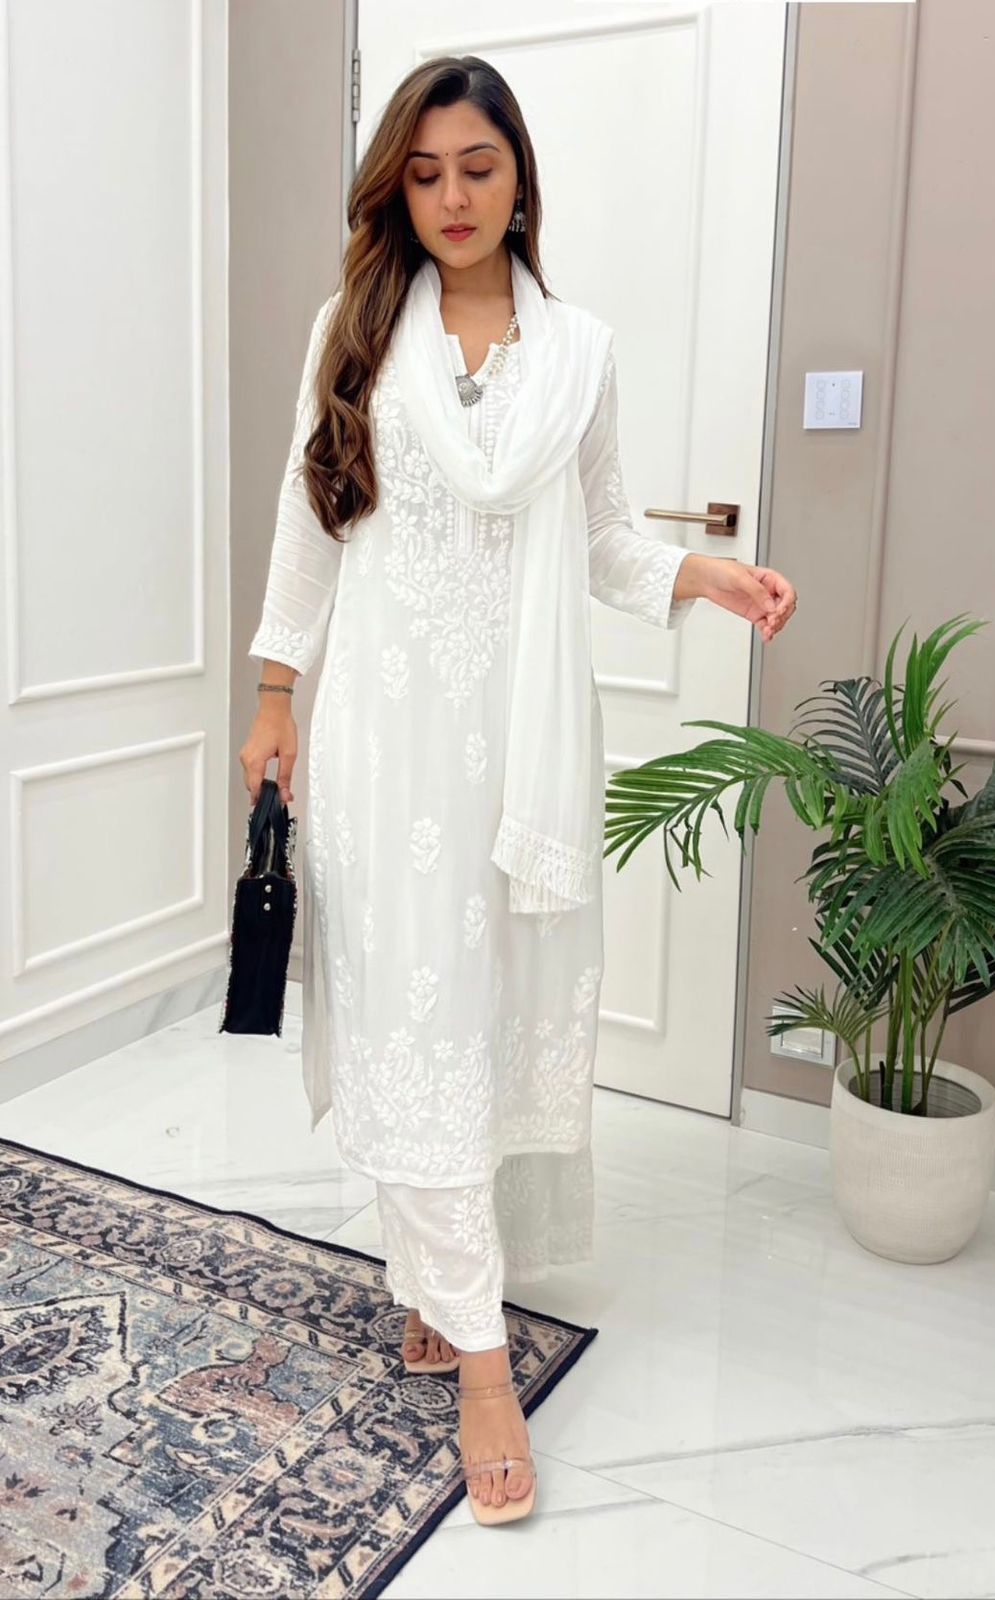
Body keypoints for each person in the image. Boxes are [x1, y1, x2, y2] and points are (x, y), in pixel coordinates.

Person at [239, 55, 797, 1526]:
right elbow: (311, 522)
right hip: (385, 746)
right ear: (397, 188)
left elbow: (605, 540)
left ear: (520, 178)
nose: (452, 197)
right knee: (416, 1017)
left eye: (476, 167)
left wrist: (700, 574)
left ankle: (437, 1279)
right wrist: (275, 696)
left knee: (483, 1020)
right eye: (423, 173)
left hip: (522, 750)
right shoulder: (354, 334)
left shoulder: (580, 354)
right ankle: (486, 1367)